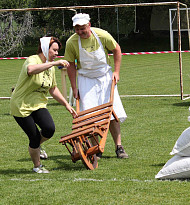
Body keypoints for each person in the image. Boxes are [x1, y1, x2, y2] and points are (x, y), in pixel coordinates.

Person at [64, 13, 128, 159]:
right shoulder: (72, 42)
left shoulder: (102, 35)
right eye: (77, 29)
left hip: (105, 77)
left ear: (89, 25)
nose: (80, 32)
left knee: (112, 112)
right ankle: (95, 147)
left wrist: (116, 72)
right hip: (85, 79)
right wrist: (74, 87)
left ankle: (119, 147)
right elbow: (71, 66)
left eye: (82, 28)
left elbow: (116, 50)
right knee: (89, 116)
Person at [10, 37, 78, 173]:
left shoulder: (50, 67)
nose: (56, 54)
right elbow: (31, 70)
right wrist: (53, 63)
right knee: (34, 137)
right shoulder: (33, 59)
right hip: (21, 106)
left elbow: (53, 89)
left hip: (38, 104)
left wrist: (66, 104)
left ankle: (35, 146)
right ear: (44, 48)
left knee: (49, 129)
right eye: (54, 50)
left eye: (57, 51)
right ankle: (37, 166)